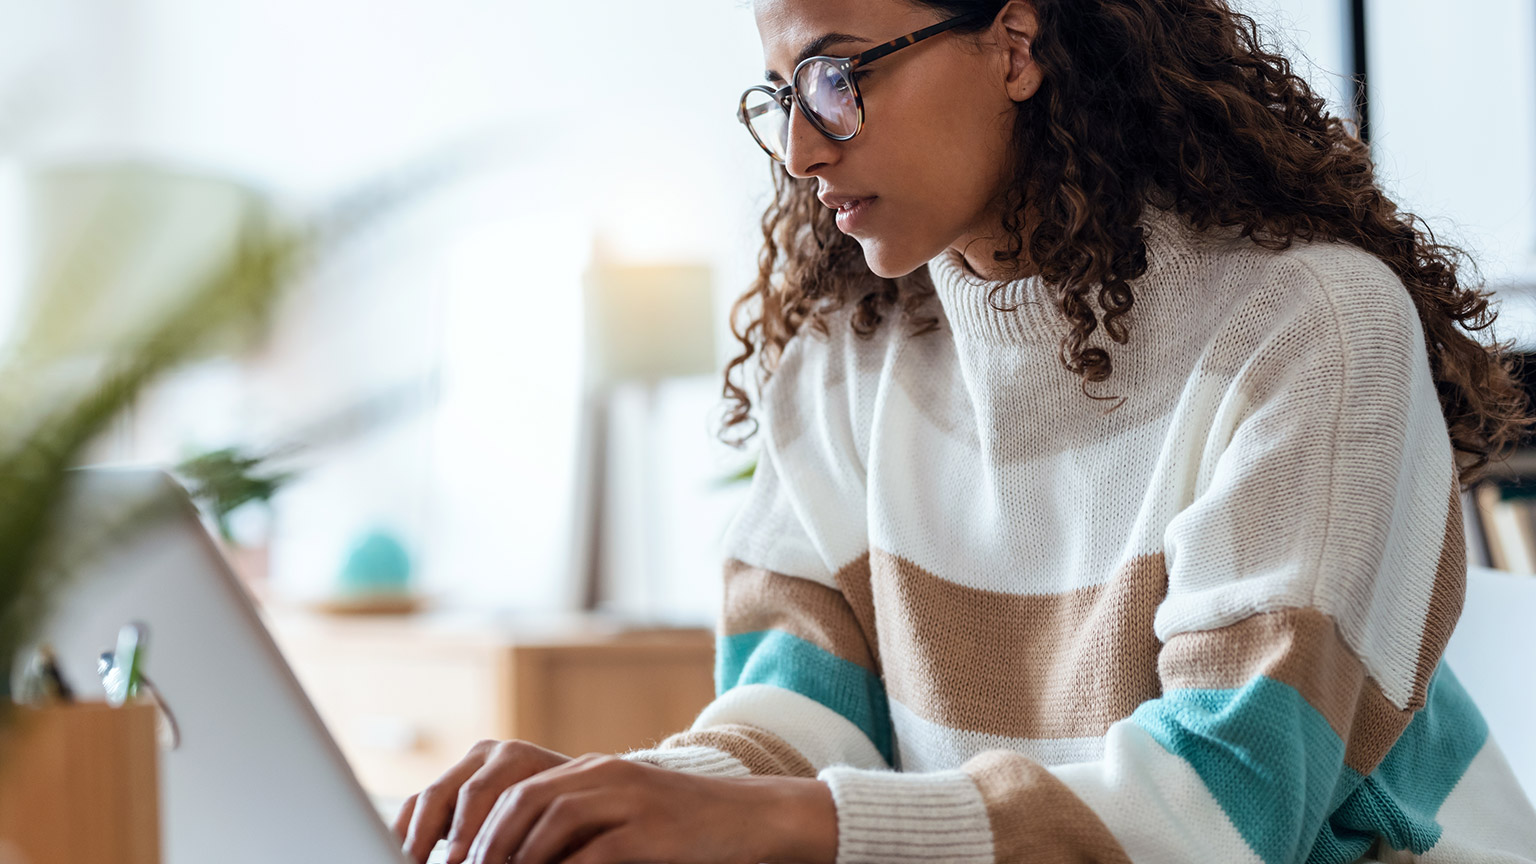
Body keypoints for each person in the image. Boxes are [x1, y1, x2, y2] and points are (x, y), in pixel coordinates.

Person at [393, 1, 1536, 862]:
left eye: (836, 77)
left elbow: (1225, 814)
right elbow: (802, 716)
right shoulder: (846, 353)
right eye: (779, 93)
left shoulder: (1308, 322)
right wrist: (624, 803)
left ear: (1015, 43)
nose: (800, 149)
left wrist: (776, 824)